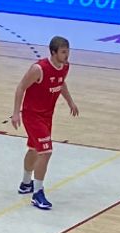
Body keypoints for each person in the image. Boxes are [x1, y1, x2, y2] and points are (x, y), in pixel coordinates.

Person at [11, 36, 79, 211]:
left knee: (35, 149)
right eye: (63, 52)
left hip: (47, 115)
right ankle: (38, 193)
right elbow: (21, 87)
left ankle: (26, 184)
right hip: (32, 115)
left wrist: (70, 101)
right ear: (53, 52)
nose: (67, 55)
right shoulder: (39, 69)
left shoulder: (65, 66)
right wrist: (15, 113)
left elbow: (61, 83)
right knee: (46, 152)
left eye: (68, 51)